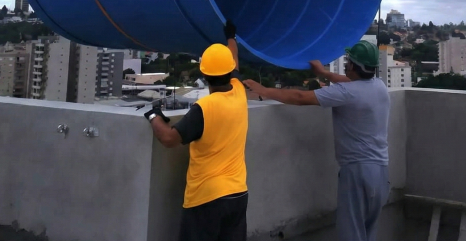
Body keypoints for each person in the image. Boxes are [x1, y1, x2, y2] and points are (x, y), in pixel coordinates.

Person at [243, 41, 389, 241]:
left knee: (352, 234)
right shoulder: (379, 86)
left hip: (357, 172)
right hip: (380, 173)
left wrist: (264, 90)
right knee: (367, 232)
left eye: (349, 62)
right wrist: (324, 73)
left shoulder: (347, 93)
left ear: (353, 66)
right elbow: (348, 81)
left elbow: (300, 97)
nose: (346, 65)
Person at [145, 20, 249, 241]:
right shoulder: (240, 92)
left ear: (205, 76)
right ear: (229, 71)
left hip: (207, 198)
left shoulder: (204, 108)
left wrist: (154, 116)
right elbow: (234, 61)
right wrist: (231, 37)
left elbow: (169, 138)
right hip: (238, 194)